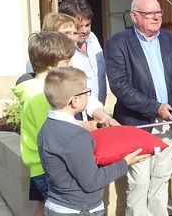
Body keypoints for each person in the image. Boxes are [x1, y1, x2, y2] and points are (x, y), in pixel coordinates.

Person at [105, 0, 172, 216]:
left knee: (161, 179)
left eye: (159, 12)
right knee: (138, 183)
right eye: (150, 14)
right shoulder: (118, 43)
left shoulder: (170, 39)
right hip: (137, 123)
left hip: (168, 121)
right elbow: (120, 86)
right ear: (134, 16)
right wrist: (155, 107)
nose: (156, 17)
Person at [38, 67, 149, 216]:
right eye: (86, 92)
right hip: (80, 209)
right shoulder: (76, 136)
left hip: (57, 205)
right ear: (74, 100)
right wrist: (125, 162)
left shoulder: (47, 127)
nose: (88, 96)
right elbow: (92, 181)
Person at [13, 31, 75, 216]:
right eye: (66, 61)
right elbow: (54, 132)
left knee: (45, 206)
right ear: (51, 63)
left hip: (39, 165)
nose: (70, 64)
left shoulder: (33, 89)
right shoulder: (42, 94)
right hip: (51, 167)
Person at [59, 0, 107, 106]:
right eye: (80, 26)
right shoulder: (61, 50)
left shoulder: (93, 38)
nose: (85, 30)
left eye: (88, 25)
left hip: (98, 109)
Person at [18, 12, 82, 85]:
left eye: (75, 33)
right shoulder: (41, 59)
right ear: (52, 35)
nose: (72, 37)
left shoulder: (79, 56)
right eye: (66, 33)